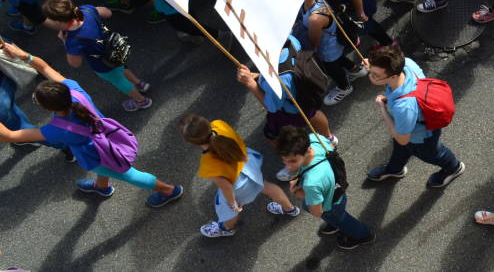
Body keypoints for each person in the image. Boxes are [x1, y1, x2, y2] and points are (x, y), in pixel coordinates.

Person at [0, 41, 183, 206]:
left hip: (95, 154)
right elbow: (46, 68)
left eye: (37, 100)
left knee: (129, 174)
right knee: (109, 167)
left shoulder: (57, 130)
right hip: (106, 136)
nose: (35, 99)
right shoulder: (74, 90)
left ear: (49, 108)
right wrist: (23, 55)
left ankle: (168, 190)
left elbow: (9, 136)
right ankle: (101, 187)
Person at [179, 113, 299, 237]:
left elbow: (226, 186)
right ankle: (290, 209)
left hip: (239, 184)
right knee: (268, 187)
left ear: (190, 142)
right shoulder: (219, 124)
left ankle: (225, 228)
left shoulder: (208, 164)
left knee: (228, 211)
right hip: (248, 165)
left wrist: (233, 204)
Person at [364, 44, 466, 188]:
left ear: (392, 76)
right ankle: (395, 169)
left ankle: (454, 168)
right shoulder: (405, 64)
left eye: (375, 75)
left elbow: (403, 139)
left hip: (421, 137)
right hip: (418, 121)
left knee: (434, 154)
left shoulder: (403, 107)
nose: (370, 75)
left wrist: (383, 108)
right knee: (400, 150)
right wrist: (373, 66)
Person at [274, 125, 375, 250]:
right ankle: (336, 225)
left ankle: (364, 236)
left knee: (342, 219)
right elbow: (330, 147)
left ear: (307, 150)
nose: (288, 166)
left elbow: (317, 212)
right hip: (338, 188)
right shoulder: (314, 138)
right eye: (284, 161)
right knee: (340, 215)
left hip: (330, 204)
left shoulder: (311, 184)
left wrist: (301, 194)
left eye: (292, 161)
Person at [235, 45, 334, 146]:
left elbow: (271, 107)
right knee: (314, 114)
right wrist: (260, 76)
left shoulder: (275, 83)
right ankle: (329, 138)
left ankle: (290, 155)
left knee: (271, 134)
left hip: (292, 112)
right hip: (309, 95)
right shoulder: (290, 41)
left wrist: (250, 83)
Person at [297, 0, 359, 106]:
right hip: (334, 44)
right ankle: (355, 69)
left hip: (327, 50)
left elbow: (314, 43)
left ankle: (345, 87)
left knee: (332, 69)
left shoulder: (314, 18)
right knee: (339, 59)